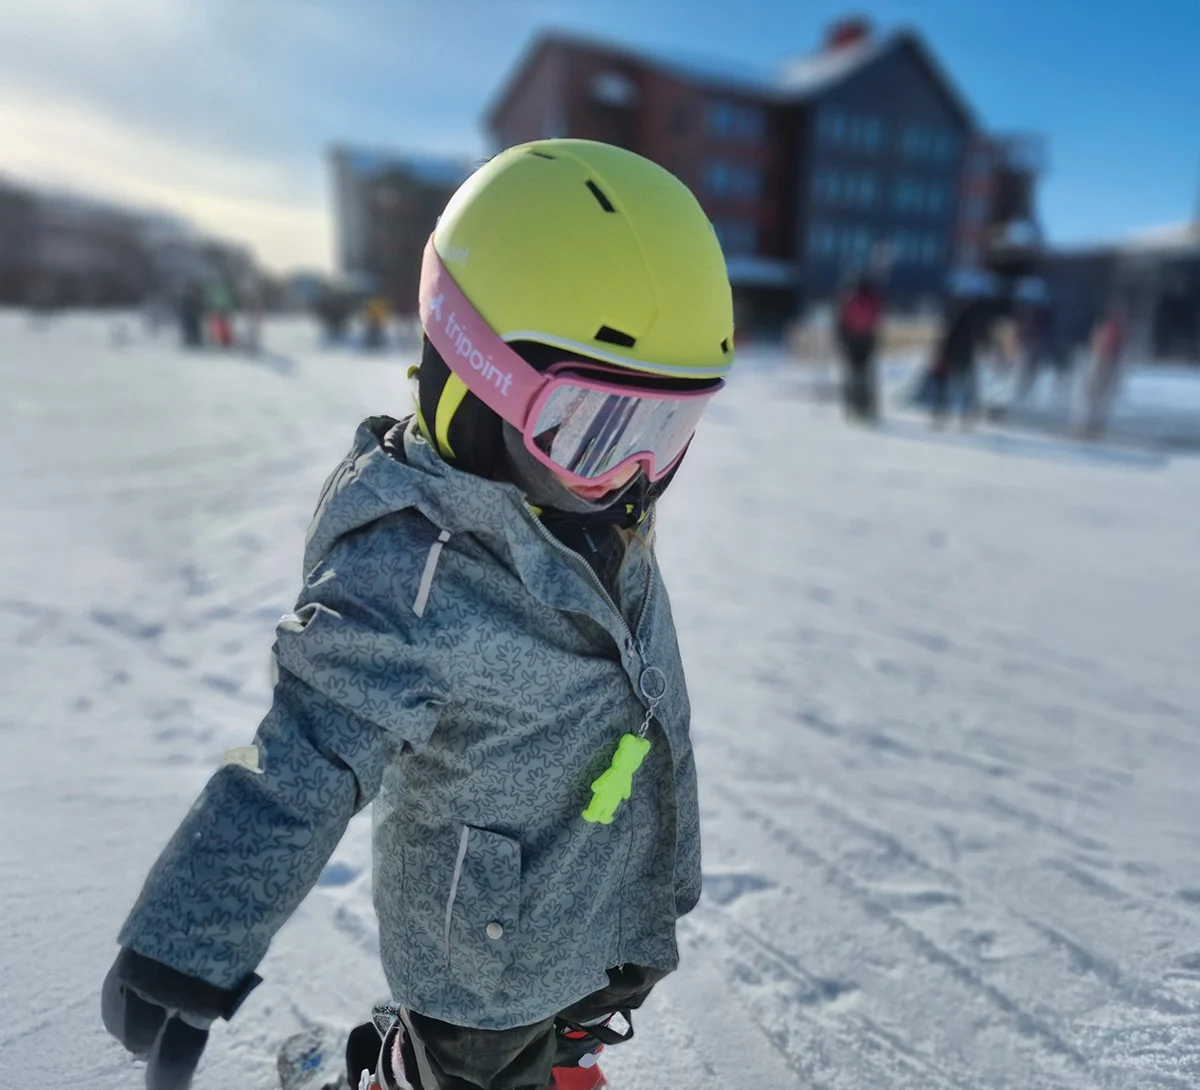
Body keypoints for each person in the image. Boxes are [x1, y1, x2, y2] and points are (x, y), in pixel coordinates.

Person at [101, 139, 735, 1090]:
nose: (633, 480)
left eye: (665, 433)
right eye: (598, 430)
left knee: (563, 1045)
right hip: (482, 965)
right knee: (482, 1068)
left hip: (595, 908)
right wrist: (187, 939)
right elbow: (301, 762)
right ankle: (400, 1068)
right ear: (476, 376)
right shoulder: (407, 573)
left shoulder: (588, 506)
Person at [835, 273, 884, 421]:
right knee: (866, 376)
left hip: (851, 341)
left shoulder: (849, 297)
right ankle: (868, 408)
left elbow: (842, 320)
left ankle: (851, 407)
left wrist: (841, 339)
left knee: (852, 375)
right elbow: (877, 320)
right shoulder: (874, 298)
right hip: (867, 341)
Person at [1083, 299, 1127, 438]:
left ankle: (1096, 423)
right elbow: (1096, 343)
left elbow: (1122, 348)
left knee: (1103, 395)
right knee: (1095, 393)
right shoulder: (1103, 326)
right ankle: (1089, 422)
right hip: (1102, 361)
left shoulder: (1120, 329)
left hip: (1111, 363)